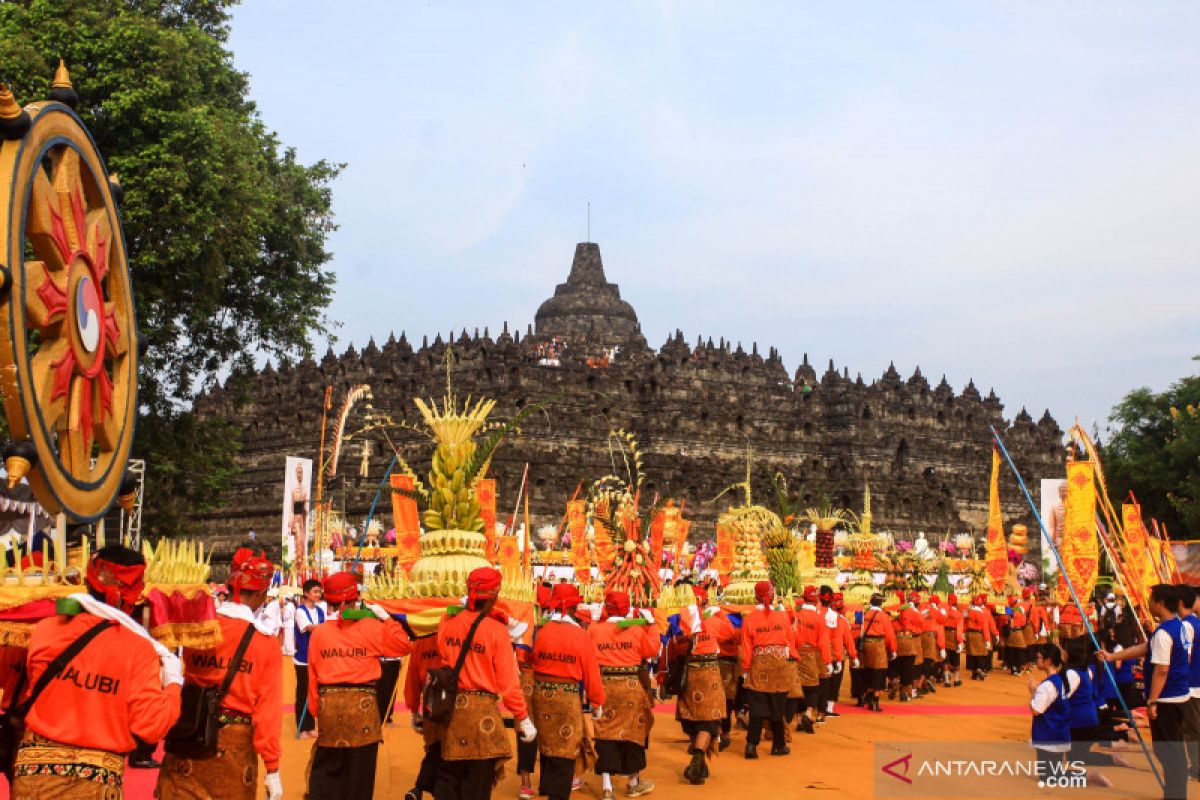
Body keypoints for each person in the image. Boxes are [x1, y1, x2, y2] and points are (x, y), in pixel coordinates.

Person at [13, 545, 183, 797]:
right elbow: (151, 726)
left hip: (32, 779)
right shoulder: (139, 650)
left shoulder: (45, 630)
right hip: (93, 784)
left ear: (87, 579)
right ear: (133, 594)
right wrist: (173, 682)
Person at [158, 547, 284, 800]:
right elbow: (267, 710)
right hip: (233, 750)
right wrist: (272, 768)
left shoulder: (199, 627)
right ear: (261, 593)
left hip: (190, 734)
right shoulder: (265, 642)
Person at [306, 571, 411, 800]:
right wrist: (386, 618)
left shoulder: (320, 633)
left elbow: (312, 678)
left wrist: (317, 711)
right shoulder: (371, 627)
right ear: (354, 599)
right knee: (359, 779)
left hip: (329, 710)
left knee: (326, 776)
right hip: (362, 711)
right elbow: (404, 645)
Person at [436, 567, 536, 800]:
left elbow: (442, 655)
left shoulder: (447, 622)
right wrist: (522, 717)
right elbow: (509, 682)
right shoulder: (496, 631)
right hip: (483, 717)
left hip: (452, 714)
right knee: (477, 787)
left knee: (450, 781)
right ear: (494, 596)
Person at [531, 583, 604, 800]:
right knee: (565, 750)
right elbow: (591, 672)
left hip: (541, 696)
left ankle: (548, 788)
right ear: (573, 608)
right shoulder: (580, 636)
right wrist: (597, 701)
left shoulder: (541, 631)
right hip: (566, 699)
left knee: (547, 745)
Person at [588, 590, 658, 799]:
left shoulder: (596, 630)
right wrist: (652, 625)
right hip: (629, 687)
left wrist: (593, 620)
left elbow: (587, 648)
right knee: (633, 733)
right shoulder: (636, 630)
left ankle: (607, 787)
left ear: (606, 608)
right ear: (627, 609)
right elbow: (651, 650)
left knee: (605, 732)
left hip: (604, 686)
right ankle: (634, 781)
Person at [678, 584, 738, 783]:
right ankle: (697, 760)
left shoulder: (681, 621)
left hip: (690, 674)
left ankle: (700, 761)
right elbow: (730, 632)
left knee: (693, 717)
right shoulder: (712, 622)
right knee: (709, 719)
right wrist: (719, 614)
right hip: (710, 673)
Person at [740, 581, 795, 759]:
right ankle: (778, 745)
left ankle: (751, 745)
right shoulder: (783, 616)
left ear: (755, 596)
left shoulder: (749, 619)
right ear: (771, 595)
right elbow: (789, 641)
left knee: (757, 706)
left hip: (759, 664)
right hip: (779, 664)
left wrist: (746, 669)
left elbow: (746, 646)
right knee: (777, 706)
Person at [403, 631, 443, 800]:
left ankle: (420, 787)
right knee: (445, 748)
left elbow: (412, 677)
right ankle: (426, 788)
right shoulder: (458, 632)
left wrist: (414, 711)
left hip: (430, 698)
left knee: (434, 744)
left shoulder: (421, 641)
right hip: (455, 695)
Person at [1028, 642, 1075, 784]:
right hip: (1057, 732)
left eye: (1039, 658)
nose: (1037, 661)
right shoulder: (1060, 680)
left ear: (1048, 661)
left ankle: (1087, 777)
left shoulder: (1048, 685)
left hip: (1049, 734)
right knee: (1049, 773)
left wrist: (1032, 692)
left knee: (1048, 776)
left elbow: (1036, 710)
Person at [792, 586, 831, 731]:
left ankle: (799, 718)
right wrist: (828, 661)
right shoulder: (819, 618)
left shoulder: (796, 614)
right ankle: (808, 713)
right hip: (810, 654)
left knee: (797, 687)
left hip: (795, 653)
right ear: (816, 600)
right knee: (813, 687)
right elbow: (823, 642)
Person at [293, 578, 326, 737]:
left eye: (319, 591)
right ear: (306, 593)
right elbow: (310, 628)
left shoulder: (320, 611)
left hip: (316, 657)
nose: (318, 594)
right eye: (315, 591)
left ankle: (311, 725)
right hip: (303, 658)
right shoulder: (300, 611)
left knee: (313, 692)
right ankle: (301, 727)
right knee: (302, 692)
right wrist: (328, 627)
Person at [858, 593, 897, 712]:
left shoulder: (863, 614)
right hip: (878, 645)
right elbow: (890, 635)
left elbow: (857, 628)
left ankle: (867, 696)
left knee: (868, 670)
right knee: (879, 671)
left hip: (865, 645)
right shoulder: (884, 616)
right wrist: (893, 650)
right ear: (880, 603)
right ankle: (875, 699)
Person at [826, 593, 857, 717]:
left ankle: (820, 707)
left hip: (824, 654)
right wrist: (854, 655)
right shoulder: (844, 619)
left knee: (824, 681)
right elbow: (848, 640)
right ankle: (828, 707)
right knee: (834, 682)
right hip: (837, 655)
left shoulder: (821, 616)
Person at [892, 591, 924, 701]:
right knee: (908, 667)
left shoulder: (897, 610)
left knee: (898, 665)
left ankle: (895, 682)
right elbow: (920, 624)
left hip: (897, 640)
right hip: (910, 641)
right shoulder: (913, 613)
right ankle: (905, 692)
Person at [965, 594, 997, 681]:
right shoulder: (984, 612)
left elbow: (964, 621)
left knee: (971, 653)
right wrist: (992, 636)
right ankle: (981, 669)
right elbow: (987, 626)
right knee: (981, 652)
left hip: (969, 633)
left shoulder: (967, 611)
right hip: (979, 634)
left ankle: (974, 673)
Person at [942, 594, 964, 687]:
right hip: (953, 636)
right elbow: (959, 629)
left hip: (944, 635)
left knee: (946, 659)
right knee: (956, 659)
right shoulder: (959, 614)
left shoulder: (944, 611)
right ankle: (956, 680)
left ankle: (946, 681)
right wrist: (960, 642)